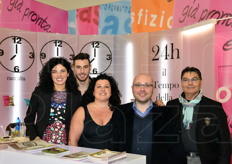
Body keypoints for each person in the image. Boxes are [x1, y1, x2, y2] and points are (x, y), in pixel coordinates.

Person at [166, 67, 231, 164]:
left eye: (194, 79)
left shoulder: (214, 107)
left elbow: (225, 143)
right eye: (186, 80)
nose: (190, 83)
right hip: (178, 160)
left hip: (204, 161)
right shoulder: (171, 106)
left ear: (200, 82)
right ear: (181, 83)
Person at [118, 73, 186, 164]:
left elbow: (176, 149)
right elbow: (114, 147)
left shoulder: (166, 114)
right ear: (132, 88)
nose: (142, 89)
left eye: (147, 85)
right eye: (138, 85)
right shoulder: (120, 113)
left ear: (152, 88)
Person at [24, 57, 82, 145]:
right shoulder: (39, 92)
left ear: (68, 73)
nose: (59, 75)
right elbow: (29, 118)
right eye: (54, 71)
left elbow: (80, 123)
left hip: (67, 146)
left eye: (62, 71)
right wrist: (35, 137)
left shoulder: (76, 95)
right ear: (50, 74)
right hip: (42, 144)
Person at [69, 74, 124, 151]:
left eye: (106, 86)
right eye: (99, 86)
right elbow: (72, 142)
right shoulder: (81, 112)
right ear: (93, 92)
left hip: (113, 160)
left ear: (111, 92)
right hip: (87, 161)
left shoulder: (119, 112)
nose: (102, 89)